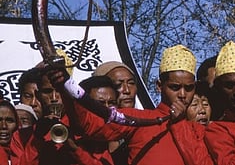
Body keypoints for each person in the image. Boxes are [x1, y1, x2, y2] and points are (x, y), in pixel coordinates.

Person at [53, 45, 213, 165]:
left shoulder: (201, 128)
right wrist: (65, 87)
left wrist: (178, 124)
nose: (183, 95)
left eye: (189, 88)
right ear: (159, 86)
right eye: (175, 87)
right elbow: (91, 126)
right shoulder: (140, 118)